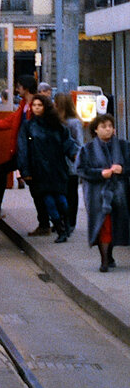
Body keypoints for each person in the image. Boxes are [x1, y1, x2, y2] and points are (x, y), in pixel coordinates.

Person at [16, 93, 76, 242]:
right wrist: (25, 171)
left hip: (56, 167)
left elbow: (68, 143)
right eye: (34, 105)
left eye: (39, 105)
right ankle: (60, 229)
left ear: (45, 107)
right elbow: (23, 149)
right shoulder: (28, 126)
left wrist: (76, 157)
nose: (36, 108)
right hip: (38, 169)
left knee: (61, 199)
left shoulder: (57, 125)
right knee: (48, 201)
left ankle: (66, 223)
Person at [0, 75, 43, 229]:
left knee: (35, 188)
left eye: (19, 87)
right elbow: (9, 122)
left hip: (31, 153)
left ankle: (47, 223)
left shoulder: (35, 105)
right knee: (32, 186)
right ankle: (46, 222)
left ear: (25, 87)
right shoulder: (24, 105)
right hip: (24, 152)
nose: (17, 89)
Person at [79, 113, 130, 272]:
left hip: (120, 192)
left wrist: (122, 169)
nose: (108, 129)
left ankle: (110, 254)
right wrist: (100, 173)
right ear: (96, 130)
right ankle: (104, 260)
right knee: (103, 225)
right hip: (97, 193)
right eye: (103, 126)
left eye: (110, 126)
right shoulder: (87, 149)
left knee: (117, 224)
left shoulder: (123, 146)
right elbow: (81, 170)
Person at [57, 93, 87, 236]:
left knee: (69, 194)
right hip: (67, 164)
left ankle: (69, 222)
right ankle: (67, 221)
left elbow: (79, 144)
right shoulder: (70, 122)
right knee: (69, 194)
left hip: (69, 163)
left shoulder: (72, 123)